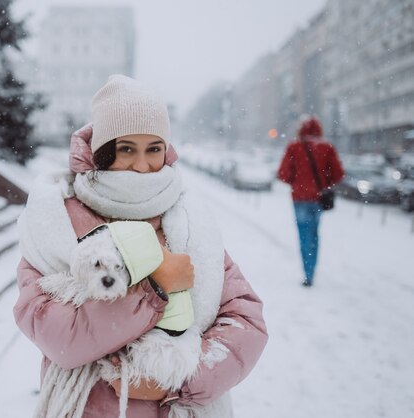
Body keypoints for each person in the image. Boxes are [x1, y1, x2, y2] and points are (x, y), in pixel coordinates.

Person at [14, 74, 268, 417]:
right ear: (103, 153)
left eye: (154, 150)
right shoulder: (56, 222)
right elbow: (58, 335)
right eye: (126, 149)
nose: (142, 165)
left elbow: (245, 320)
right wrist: (156, 287)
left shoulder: (188, 220)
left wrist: (176, 381)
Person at [277, 117, 345, 287]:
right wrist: (324, 183)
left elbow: (283, 174)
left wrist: (297, 181)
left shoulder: (294, 147)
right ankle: (311, 271)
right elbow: (339, 174)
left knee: (303, 236)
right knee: (314, 235)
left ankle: (307, 273)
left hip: (300, 199)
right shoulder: (327, 148)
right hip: (317, 199)